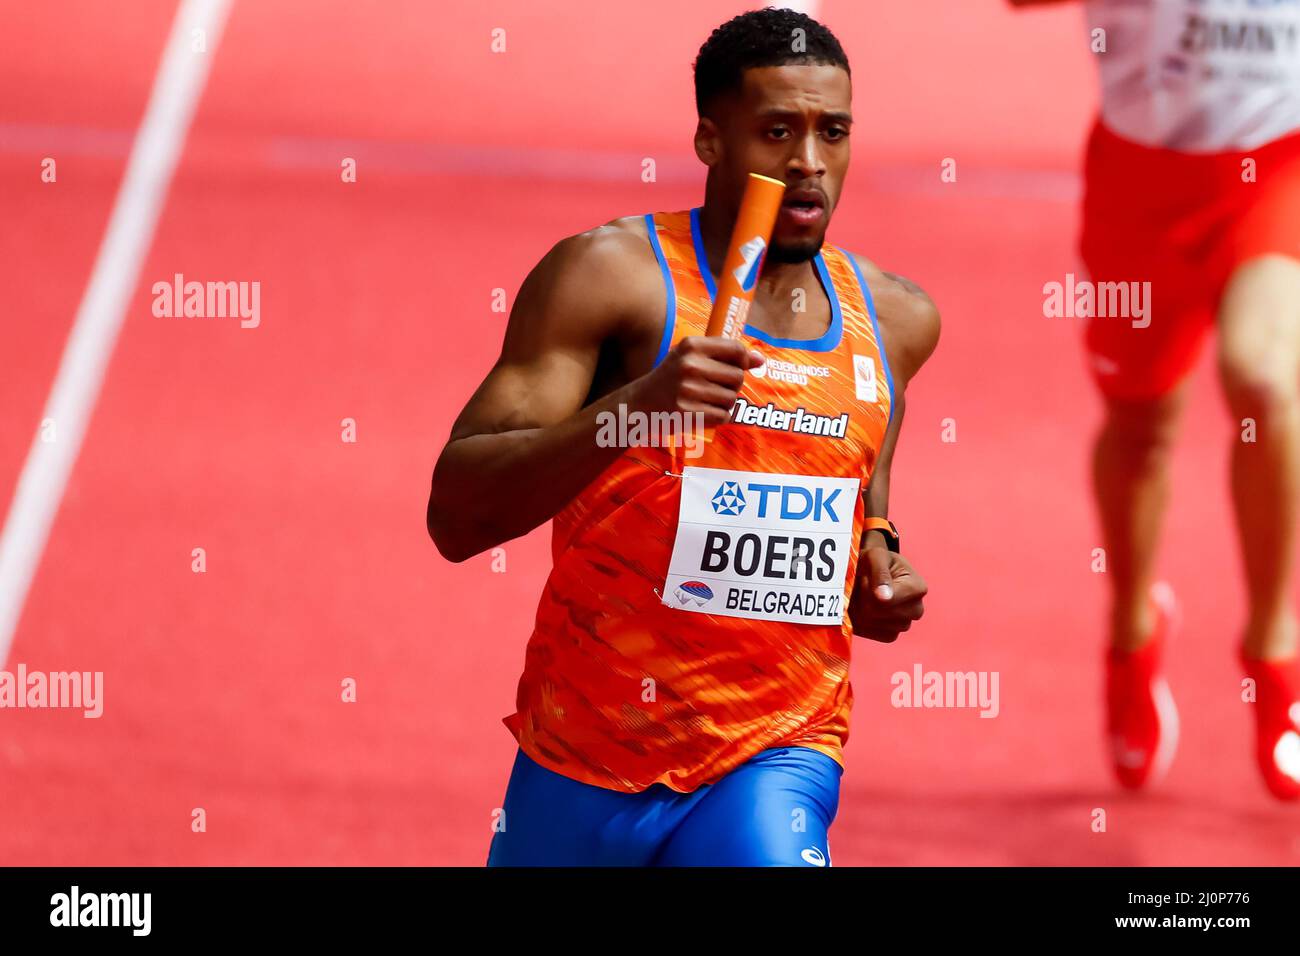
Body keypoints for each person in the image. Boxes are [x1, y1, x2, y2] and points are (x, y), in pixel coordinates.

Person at [1012, 0, 1300, 799]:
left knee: (1266, 375)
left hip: (1278, 164)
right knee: (1139, 424)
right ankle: (1132, 631)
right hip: (1138, 187)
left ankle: (1273, 650)